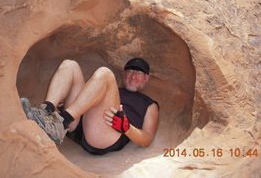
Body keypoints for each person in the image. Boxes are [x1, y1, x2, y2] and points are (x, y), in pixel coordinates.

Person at [21, 58, 159, 155]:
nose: (134, 76)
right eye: (130, 71)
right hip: (78, 124)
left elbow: (146, 139)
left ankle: (60, 122)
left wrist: (127, 128)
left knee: (105, 74)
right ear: (124, 74)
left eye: (139, 73)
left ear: (146, 78)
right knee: (70, 65)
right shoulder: (114, 90)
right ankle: (45, 112)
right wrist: (71, 102)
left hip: (104, 135)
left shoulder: (149, 104)